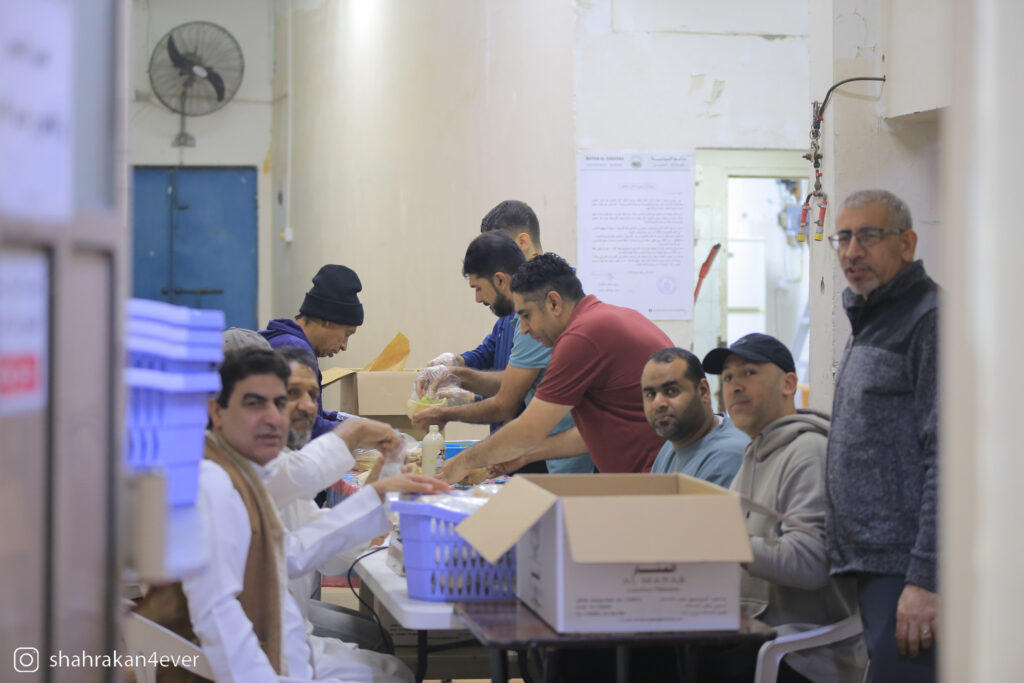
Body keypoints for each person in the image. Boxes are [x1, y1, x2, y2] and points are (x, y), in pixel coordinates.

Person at [136, 348, 448, 682]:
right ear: (217, 411)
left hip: (280, 645)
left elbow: (290, 552)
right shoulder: (211, 481)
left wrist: (376, 495)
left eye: (279, 403)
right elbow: (219, 620)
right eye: (255, 403)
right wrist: (356, 440)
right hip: (251, 663)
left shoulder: (243, 469)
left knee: (393, 671)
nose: (274, 417)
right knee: (391, 670)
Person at [698, 333, 866, 683]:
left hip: (805, 651)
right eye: (727, 378)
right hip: (755, 631)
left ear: (789, 384)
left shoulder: (808, 453)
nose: (734, 386)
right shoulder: (754, 453)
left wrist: (722, 542)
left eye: (749, 373)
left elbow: (810, 563)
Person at [824, 190, 939, 681]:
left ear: (906, 244)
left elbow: (949, 457)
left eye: (869, 236)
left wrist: (927, 578)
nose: (853, 252)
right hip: (874, 564)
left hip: (908, 568)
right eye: (844, 238)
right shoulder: (873, 317)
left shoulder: (929, 320)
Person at [438, 253, 672, 482]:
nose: (524, 329)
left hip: (654, 479)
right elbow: (590, 435)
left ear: (554, 303)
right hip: (657, 474)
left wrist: (463, 462)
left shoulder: (581, 337)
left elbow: (529, 429)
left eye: (526, 315)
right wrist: (525, 455)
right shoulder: (604, 318)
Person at [412, 232, 594, 474]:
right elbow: (509, 376)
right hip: (562, 458)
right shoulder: (527, 321)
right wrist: (455, 373)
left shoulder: (564, 330)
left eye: (478, 288)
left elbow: (507, 406)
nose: (525, 328)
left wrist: (452, 428)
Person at [423, 200, 546, 434]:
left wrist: (455, 400)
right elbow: (495, 352)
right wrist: (456, 362)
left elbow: (512, 395)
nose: (478, 299)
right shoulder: (512, 305)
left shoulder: (544, 302)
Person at [260, 264, 364, 439]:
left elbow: (315, 416)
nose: (344, 346)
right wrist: (364, 432)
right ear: (327, 321)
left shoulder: (283, 340)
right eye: (347, 334)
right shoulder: (295, 351)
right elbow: (306, 427)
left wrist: (350, 421)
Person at [641, 347, 747, 486]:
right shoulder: (672, 444)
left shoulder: (727, 456)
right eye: (650, 394)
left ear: (703, 391)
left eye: (671, 391)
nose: (658, 403)